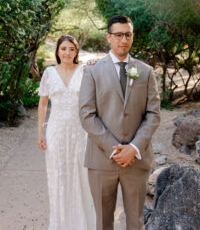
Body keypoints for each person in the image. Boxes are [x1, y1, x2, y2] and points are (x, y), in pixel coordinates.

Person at [79, 15, 160, 230]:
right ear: (108, 37)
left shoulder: (146, 71)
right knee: (104, 222)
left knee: (136, 221)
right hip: (101, 160)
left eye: (128, 35)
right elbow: (86, 114)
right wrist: (114, 149)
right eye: (118, 35)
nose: (123, 39)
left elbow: (153, 114)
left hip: (136, 160)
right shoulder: (92, 71)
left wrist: (133, 148)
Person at [37, 35, 96, 230]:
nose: (67, 53)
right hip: (56, 132)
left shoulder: (84, 71)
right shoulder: (49, 73)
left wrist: (96, 66)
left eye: (71, 49)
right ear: (58, 51)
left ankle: (81, 224)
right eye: (63, 48)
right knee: (59, 176)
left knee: (80, 176)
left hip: (79, 132)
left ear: (77, 51)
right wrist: (40, 132)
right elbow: (43, 103)